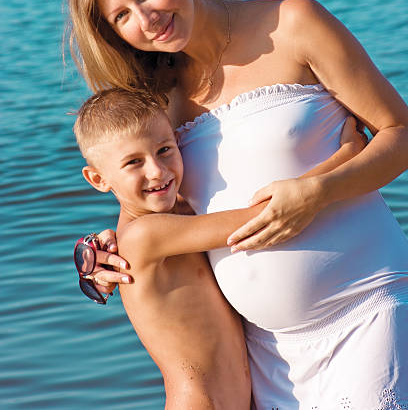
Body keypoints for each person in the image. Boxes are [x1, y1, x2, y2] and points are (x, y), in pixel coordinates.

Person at [64, 0, 408, 408]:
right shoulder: (158, 97)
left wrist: (319, 191)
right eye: (121, 16)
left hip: (366, 311)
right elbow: (150, 208)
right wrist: (100, 256)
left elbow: (400, 133)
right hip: (270, 363)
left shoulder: (294, 24)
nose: (145, 19)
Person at [73, 88, 365, 409]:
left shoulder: (173, 218)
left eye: (165, 150)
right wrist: (346, 156)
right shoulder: (145, 235)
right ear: (98, 179)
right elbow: (266, 215)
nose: (157, 170)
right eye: (133, 162)